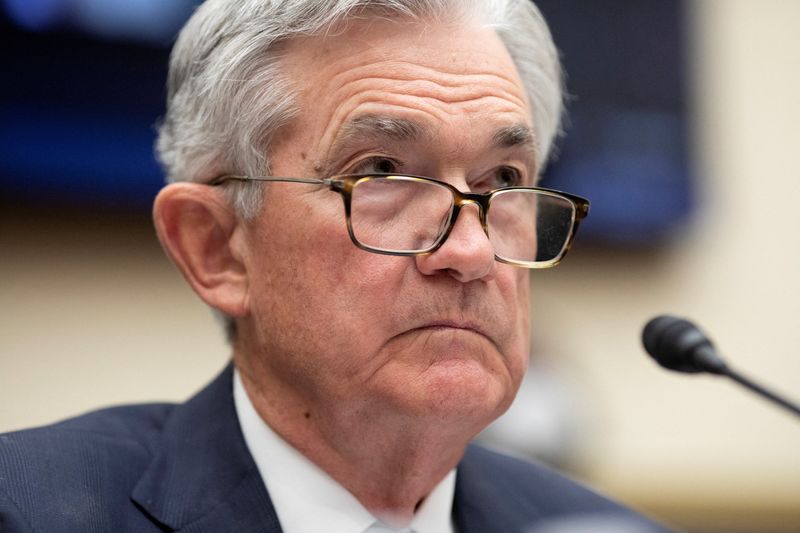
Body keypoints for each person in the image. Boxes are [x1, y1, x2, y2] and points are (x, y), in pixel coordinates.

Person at [0, 1, 669, 531]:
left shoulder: (591, 526)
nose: (470, 251)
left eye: (501, 179)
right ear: (216, 247)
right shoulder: (28, 510)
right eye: (379, 171)